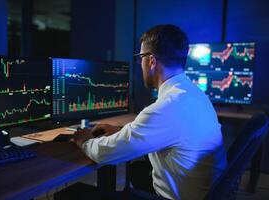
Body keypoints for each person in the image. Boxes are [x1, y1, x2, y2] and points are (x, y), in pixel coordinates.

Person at [71, 24, 227, 200]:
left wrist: (85, 140)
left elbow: (105, 154)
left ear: (151, 61)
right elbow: (165, 132)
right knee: (138, 170)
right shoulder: (194, 93)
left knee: (74, 194)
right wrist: (122, 131)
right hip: (204, 191)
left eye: (140, 57)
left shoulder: (167, 107)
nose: (140, 64)